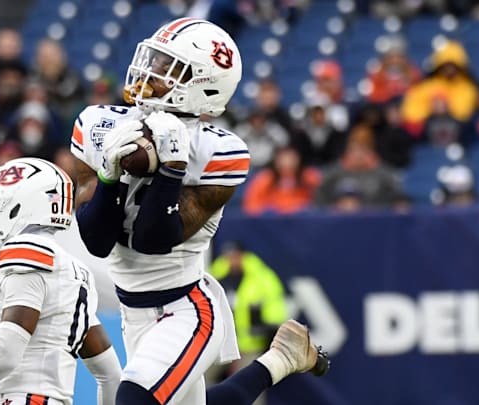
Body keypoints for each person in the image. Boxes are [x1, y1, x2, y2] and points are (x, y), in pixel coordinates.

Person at [70, 17, 326, 405]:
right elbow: (97, 241)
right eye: (154, 59)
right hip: (132, 309)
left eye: (167, 67)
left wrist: (171, 171)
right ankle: (281, 359)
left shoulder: (220, 152)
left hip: (185, 309)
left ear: (203, 85)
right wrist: (109, 177)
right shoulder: (99, 123)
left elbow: (154, 240)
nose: (150, 72)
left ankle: (281, 359)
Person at [0, 157, 122, 405]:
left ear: (22, 205)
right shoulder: (72, 271)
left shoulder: (28, 255)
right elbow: (111, 375)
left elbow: (5, 356)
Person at [208, 241, 288, 405]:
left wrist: (268, 328)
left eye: (235, 255)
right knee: (197, 378)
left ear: (243, 256)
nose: (232, 260)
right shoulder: (216, 276)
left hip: (249, 344)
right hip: (220, 343)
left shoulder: (261, 277)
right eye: (228, 256)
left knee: (253, 384)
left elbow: (275, 306)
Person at [314, 124, 406, 211]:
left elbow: (398, 199)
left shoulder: (385, 174)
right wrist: (334, 208)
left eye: (363, 149)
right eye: (354, 149)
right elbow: (319, 201)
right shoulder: (333, 172)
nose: (358, 154)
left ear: (370, 150)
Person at [242, 144, 321, 215]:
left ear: (298, 159)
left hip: (302, 221)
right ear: (276, 161)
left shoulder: (310, 177)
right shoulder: (264, 178)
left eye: (291, 158)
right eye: (283, 159)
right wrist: (267, 211)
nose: (287, 162)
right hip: (272, 222)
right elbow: (251, 204)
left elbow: (321, 202)